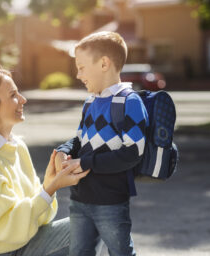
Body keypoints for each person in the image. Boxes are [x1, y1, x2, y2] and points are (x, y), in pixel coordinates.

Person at [0, 67, 90, 256]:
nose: (23, 99)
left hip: (18, 246)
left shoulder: (17, 147)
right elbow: (6, 228)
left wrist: (48, 185)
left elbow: (40, 220)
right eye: (13, 95)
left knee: (96, 225)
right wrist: (49, 190)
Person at [55, 31, 149, 256]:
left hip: (110, 201)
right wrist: (64, 150)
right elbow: (80, 139)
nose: (78, 75)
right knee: (78, 252)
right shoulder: (90, 102)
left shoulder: (129, 102)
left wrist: (84, 162)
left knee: (120, 252)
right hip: (79, 199)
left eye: (82, 67)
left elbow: (132, 153)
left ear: (104, 63)